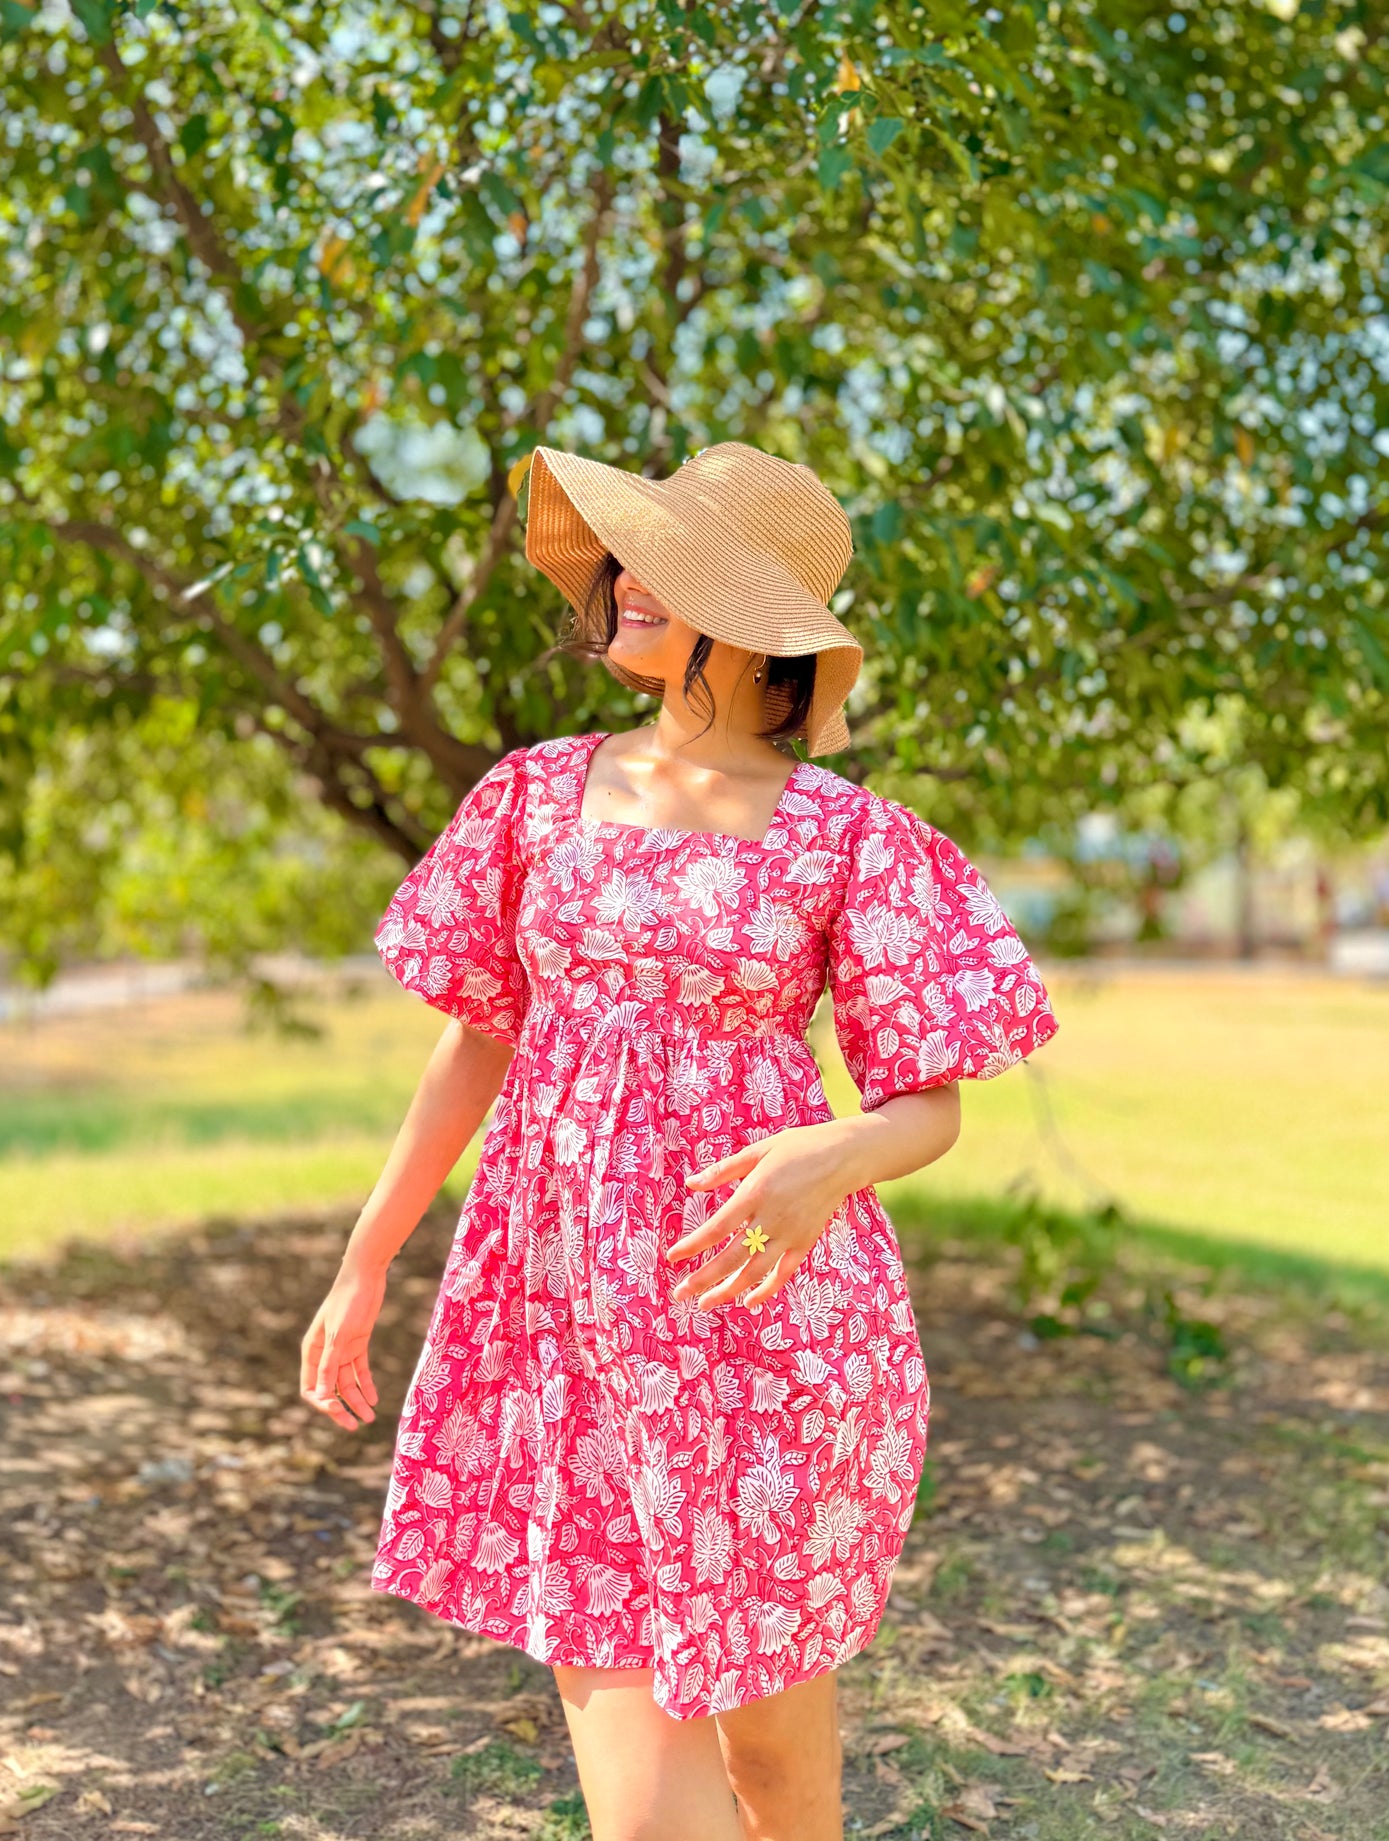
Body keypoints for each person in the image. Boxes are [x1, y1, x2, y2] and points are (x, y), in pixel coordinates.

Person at [299, 441, 1059, 1840]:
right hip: (568, 1327)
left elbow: (931, 1101)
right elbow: (478, 1039)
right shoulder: (532, 797)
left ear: (756, 620)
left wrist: (831, 1154)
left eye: (669, 561)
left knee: (777, 1781)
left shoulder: (853, 840)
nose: (622, 580)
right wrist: (366, 1261)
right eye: (625, 554)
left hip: (765, 1332)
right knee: (651, 1819)